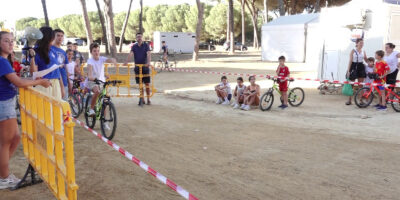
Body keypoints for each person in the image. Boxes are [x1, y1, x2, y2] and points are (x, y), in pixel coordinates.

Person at [0, 31, 51, 189]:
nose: (10, 43)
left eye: (12, 40)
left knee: (14, 138)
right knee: (6, 142)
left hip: (7, 102)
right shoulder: (2, 61)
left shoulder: (5, 61)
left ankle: (2, 172)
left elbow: (17, 80)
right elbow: (18, 82)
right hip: (3, 103)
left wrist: (31, 80)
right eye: (6, 41)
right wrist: (40, 81)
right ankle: (3, 178)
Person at [30, 26, 64, 100]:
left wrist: (62, 87)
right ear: (49, 38)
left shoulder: (53, 51)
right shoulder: (36, 51)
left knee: (56, 110)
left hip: (56, 84)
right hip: (44, 85)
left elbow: (57, 71)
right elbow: (33, 73)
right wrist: (32, 57)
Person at [86, 43, 116, 118]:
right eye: (94, 51)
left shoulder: (102, 59)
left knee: (105, 101)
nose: (96, 52)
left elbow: (108, 60)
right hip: (92, 82)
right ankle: (91, 109)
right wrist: (92, 77)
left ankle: (104, 121)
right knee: (97, 91)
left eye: (98, 51)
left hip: (102, 82)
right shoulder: (90, 61)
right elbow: (89, 74)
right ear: (91, 52)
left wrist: (113, 60)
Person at [124, 33, 152, 106]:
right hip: (137, 68)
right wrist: (126, 62)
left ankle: (148, 99)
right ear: (136, 38)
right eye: (137, 37)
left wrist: (149, 62)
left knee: (147, 84)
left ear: (142, 38)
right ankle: (142, 99)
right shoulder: (134, 46)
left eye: (140, 37)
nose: (139, 38)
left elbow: (148, 54)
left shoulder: (146, 45)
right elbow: (131, 54)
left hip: (145, 68)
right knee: (140, 85)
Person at [346, 38, 368, 105]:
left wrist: (372, 64)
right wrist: (348, 71)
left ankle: (360, 100)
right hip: (353, 66)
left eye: (362, 43)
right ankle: (349, 100)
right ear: (357, 43)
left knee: (360, 85)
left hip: (361, 66)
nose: (362, 44)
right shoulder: (353, 50)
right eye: (360, 42)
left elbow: (366, 59)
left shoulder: (363, 51)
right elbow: (350, 61)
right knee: (351, 84)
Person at [51, 29, 69, 101]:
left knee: (64, 105)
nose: (60, 38)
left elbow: (66, 67)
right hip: (54, 82)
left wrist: (69, 83)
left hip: (64, 82)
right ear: (53, 37)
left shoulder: (63, 52)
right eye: (58, 35)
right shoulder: (50, 49)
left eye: (62, 36)